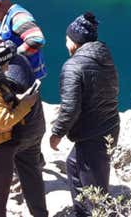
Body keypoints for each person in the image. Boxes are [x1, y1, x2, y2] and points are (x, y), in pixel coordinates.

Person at [0, 33, 48, 217]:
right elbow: (5, 115)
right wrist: (25, 102)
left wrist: (22, 102)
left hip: (11, 138)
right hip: (29, 131)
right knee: (29, 175)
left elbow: (4, 117)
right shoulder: (18, 61)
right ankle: (40, 214)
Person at [50, 12, 120, 217]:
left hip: (92, 134)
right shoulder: (104, 56)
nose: (65, 42)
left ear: (75, 41)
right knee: (73, 165)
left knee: (95, 193)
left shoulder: (73, 66)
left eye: (66, 38)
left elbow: (70, 107)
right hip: (110, 126)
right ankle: (80, 212)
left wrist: (57, 133)